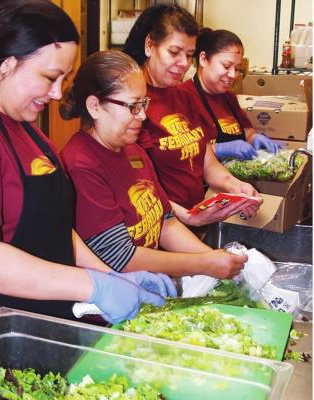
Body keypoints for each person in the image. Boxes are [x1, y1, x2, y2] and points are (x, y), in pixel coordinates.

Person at [0, 0, 176, 358]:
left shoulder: (27, 131)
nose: (57, 94)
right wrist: (94, 286)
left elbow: (53, 227)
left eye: (63, 80)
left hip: (28, 328)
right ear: (8, 64)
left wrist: (111, 276)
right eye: (50, 77)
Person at [60, 50, 247, 278]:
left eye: (144, 103)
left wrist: (215, 259)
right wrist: (203, 264)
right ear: (95, 106)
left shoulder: (133, 150)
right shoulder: (81, 164)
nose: (142, 116)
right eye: (132, 106)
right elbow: (120, 256)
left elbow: (165, 223)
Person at [122, 4, 262, 227]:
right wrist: (187, 217)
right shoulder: (133, 104)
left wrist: (236, 186)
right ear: (150, 45)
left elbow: (207, 163)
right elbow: (135, 182)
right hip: (160, 226)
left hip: (195, 218)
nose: (183, 64)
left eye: (189, 55)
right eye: (174, 52)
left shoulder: (185, 97)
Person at [181, 28, 280, 161]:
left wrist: (254, 138)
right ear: (204, 59)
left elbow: (246, 132)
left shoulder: (229, 97)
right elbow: (183, 151)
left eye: (237, 68)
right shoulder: (183, 98)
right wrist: (220, 149)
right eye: (226, 66)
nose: (233, 75)